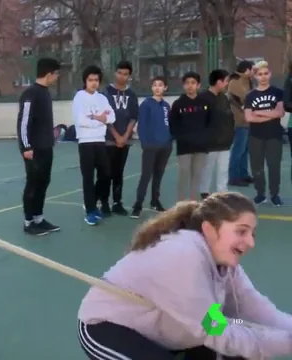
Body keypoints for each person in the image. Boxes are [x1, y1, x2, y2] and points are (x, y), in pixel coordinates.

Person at [78, 191, 292, 360]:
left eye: (252, 234)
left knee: (239, 339)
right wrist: (285, 342)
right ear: (209, 229)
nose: (251, 243)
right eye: (241, 231)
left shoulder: (224, 261)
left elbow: (253, 307)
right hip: (111, 328)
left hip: (175, 328)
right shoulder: (181, 255)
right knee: (233, 338)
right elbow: (213, 329)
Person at [16, 57, 61, 236]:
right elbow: (23, 123)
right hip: (33, 150)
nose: (57, 77)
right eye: (56, 74)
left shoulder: (45, 93)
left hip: (46, 148)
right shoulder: (30, 94)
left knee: (43, 183)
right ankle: (28, 223)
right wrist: (26, 147)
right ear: (49, 73)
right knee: (33, 185)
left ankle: (39, 219)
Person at [73, 65, 115, 226]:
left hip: (100, 141)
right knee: (88, 177)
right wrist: (100, 119)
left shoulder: (102, 98)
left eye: (96, 80)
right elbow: (81, 121)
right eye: (90, 80)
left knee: (106, 174)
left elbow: (112, 117)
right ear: (85, 81)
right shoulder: (79, 97)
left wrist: (95, 118)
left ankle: (92, 200)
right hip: (86, 142)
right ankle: (90, 211)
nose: (94, 83)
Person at [244, 60, 285, 206]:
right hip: (255, 136)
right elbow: (249, 117)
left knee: (274, 166)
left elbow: (280, 112)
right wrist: (269, 114)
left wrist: (259, 113)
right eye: (260, 74)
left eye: (266, 73)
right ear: (255, 76)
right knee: (257, 167)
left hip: (274, 135)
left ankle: (274, 194)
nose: (263, 77)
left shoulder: (278, 92)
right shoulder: (250, 95)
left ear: (270, 74)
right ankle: (260, 194)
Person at [130, 76, 172, 219]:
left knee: (158, 175)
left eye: (160, 85)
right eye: (154, 85)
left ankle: (155, 201)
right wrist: (145, 143)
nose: (157, 87)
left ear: (165, 88)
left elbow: (169, 125)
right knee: (146, 176)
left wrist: (169, 141)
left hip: (165, 146)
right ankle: (138, 205)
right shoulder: (146, 104)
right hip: (150, 147)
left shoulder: (166, 106)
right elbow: (142, 126)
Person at [102, 60, 139, 216]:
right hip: (109, 139)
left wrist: (124, 136)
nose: (122, 76)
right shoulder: (106, 92)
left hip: (124, 140)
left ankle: (117, 202)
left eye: (125, 74)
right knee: (106, 172)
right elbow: (105, 116)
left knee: (119, 172)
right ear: (115, 73)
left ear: (129, 76)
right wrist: (116, 135)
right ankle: (103, 203)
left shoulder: (131, 95)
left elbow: (133, 117)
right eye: (120, 73)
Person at [169, 71, 211, 201]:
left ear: (198, 85)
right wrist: (180, 137)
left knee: (197, 176)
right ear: (183, 86)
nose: (190, 86)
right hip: (184, 147)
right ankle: (181, 205)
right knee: (184, 176)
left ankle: (194, 204)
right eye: (187, 83)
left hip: (201, 146)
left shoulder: (205, 103)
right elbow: (172, 123)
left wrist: (205, 138)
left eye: (193, 83)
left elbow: (210, 122)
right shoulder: (178, 104)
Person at [198, 69, 234, 199]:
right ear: (219, 82)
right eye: (226, 81)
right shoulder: (202, 98)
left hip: (225, 142)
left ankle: (222, 193)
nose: (227, 84)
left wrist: (230, 135)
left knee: (223, 170)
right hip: (209, 143)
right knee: (207, 169)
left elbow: (229, 118)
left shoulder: (224, 98)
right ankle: (204, 192)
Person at [228, 60, 255, 186]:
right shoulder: (235, 81)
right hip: (239, 120)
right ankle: (233, 177)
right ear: (246, 70)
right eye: (251, 69)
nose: (253, 72)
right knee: (238, 150)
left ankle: (243, 174)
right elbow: (245, 98)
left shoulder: (246, 81)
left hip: (247, 120)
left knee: (245, 150)